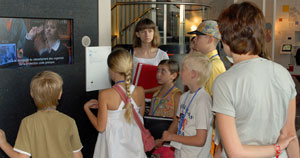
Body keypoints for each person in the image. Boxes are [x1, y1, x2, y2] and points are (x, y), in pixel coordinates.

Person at [212, 2, 299, 158]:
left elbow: (235, 152)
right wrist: (279, 149)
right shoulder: (283, 74)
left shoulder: (224, 82)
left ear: (226, 38)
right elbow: (290, 134)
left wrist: (277, 148)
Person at [0, 71, 83, 158]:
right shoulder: (69, 121)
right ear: (60, 94)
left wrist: (3, 143)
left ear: (32, 94)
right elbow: (77, 155)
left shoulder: (28, 122)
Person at [84, 48, 147, 158]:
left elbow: (100, 127)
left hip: (113, 149)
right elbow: (139, 118)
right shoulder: (140, 91)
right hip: (135, 148)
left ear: (111, 69)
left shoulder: (105, 94)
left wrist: (87, 109)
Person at [162, 53, 213, 158]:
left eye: (183, 70)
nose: (180, 73)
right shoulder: (184, 97)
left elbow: (200, 140)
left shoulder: (203, 101)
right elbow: (180, 123)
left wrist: (172, 136)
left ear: (193, 74)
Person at [187, 20, 226, 157]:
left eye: (198, 36)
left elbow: (214, 103)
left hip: (209, 134)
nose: (195, 40)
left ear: (210, 39)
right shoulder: (206, 63)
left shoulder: (214, 66)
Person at [149, 59, 182, 158]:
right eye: (158, 70)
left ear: (174, 75)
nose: (158, 74)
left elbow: (176, 120)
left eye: (163, 71)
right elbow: (151, 116)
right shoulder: (156, 94)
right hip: (154, 141)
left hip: (168, 143)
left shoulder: (177, 95)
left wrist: (163, 140)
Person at [132, 18, 169, 94]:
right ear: (137, 34)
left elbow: (168, 81)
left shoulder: (162, 55)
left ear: (154, 33)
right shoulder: (130, 54)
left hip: (156, 96)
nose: (147, 35)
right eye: (143, 32)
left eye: (150, 31)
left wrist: (144, 91)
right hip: (134, 95)